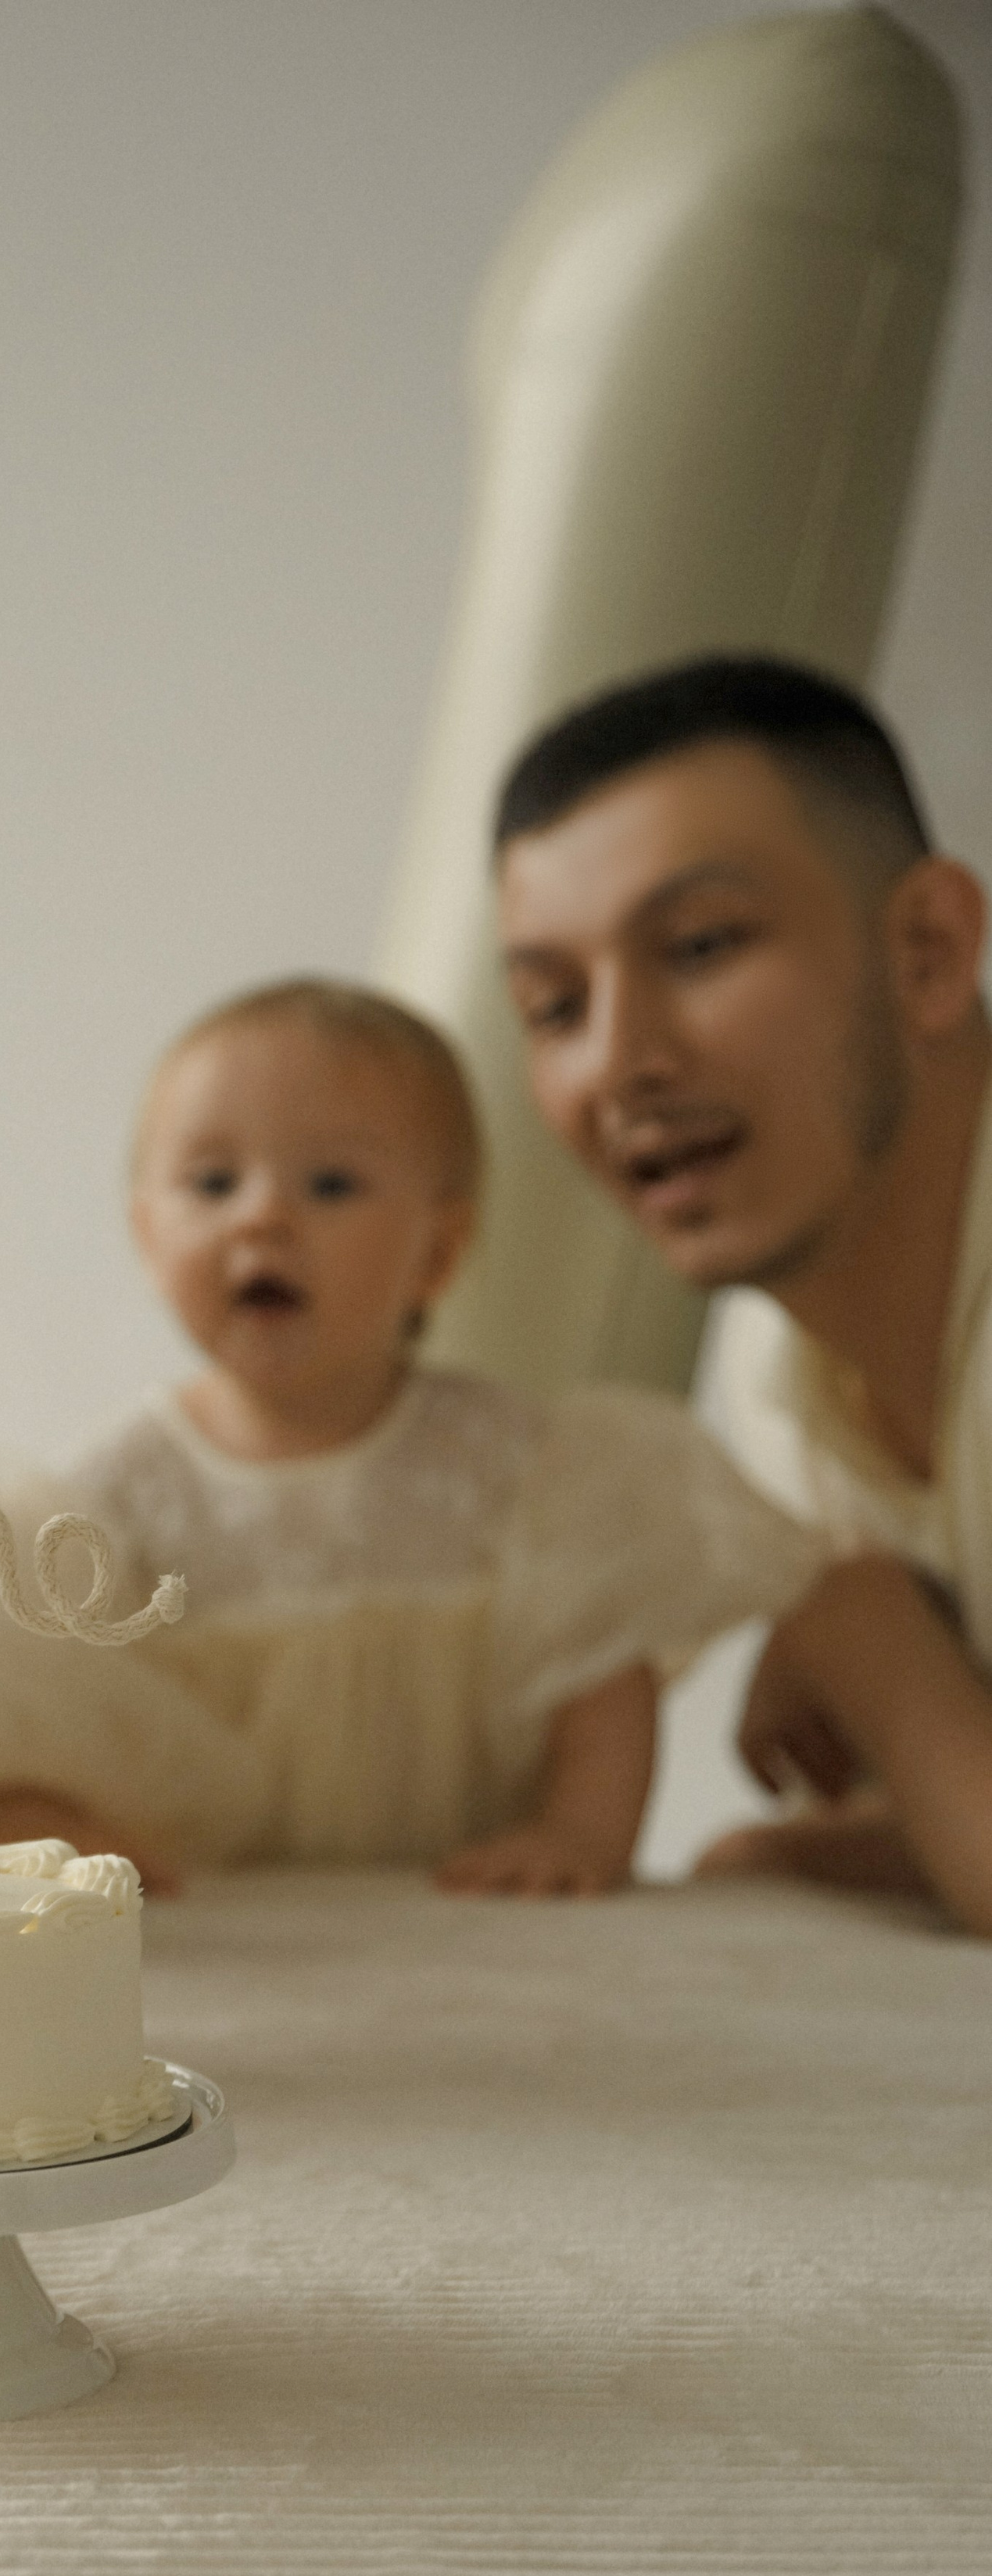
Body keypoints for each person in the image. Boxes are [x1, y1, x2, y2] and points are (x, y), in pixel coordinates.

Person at [0, 976, 817, 1891]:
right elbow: (33, 1726)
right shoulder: (113, 1496)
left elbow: (599, 1680)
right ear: (150, 1239)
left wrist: (578, 1832)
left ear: (436, 1251)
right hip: (231, 1921)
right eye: (213, 1182)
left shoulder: (514, 1463)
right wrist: (60, 1829)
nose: (261, 1215)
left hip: (461, 1908)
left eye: (330, 1183)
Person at [493, 654, 992, 1925]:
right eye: (555, 1006)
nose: (621, 1062)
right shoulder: (772, 1375)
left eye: (702, 946)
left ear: (929, 951)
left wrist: (861, 1626)